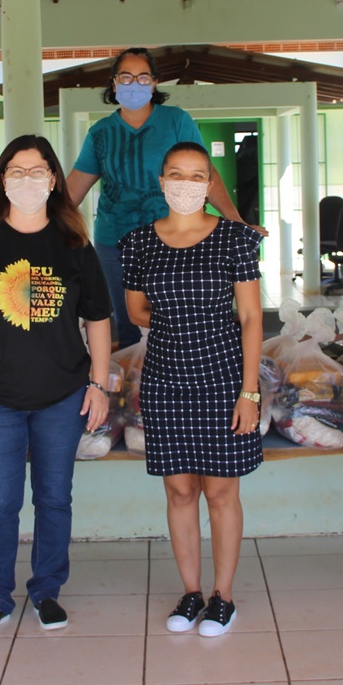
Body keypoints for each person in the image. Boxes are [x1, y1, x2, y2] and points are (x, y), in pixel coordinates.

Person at [0, 136, 114, 640]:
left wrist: (98, 384)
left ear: (54, 179)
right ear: (2, 180)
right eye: (15, 171)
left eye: (37, 171)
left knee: (54, 498)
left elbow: (98, 319)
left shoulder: (74, 244)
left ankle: (46, 591)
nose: (27, 180)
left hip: (63, 396)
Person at [122, 142, 263, 637]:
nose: (186, 183)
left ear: (209, 184)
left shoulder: (235, 238)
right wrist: (181, 321)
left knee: (220, 492)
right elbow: (136, 310)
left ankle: (223, 596)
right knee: (180, 490)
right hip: (165, 379)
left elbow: (251, 317)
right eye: (176, 174)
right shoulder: (139, 242)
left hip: (224, 379)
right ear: (162, 182)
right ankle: (191, 592)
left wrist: (250, 392)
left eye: (197, 175)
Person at [68, 47, 264, 350]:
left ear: (155, 82)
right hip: (115, 242)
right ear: (114, 82)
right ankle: (138, 379)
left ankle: (186, 368)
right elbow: (73, 190)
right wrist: (36, 227)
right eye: (126, 77)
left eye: (143, 77)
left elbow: (205, 172)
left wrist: (235, 220)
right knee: (129, 324)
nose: (134, 84)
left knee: (177, 316)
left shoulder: (176, 120)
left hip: (174, 237)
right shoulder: (100, 133)